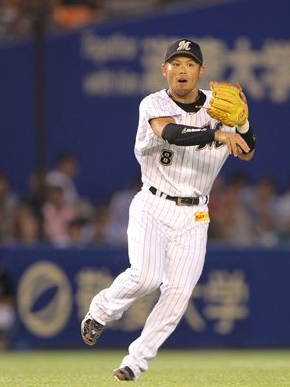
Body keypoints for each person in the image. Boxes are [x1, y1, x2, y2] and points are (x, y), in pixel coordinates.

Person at [80, 38, 256, 381]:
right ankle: (101, 309)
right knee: (145, 276)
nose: (182, 70)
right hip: (153, 205)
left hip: (195, 215)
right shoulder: (153, 103)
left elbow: (247, 152)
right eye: (175, 64)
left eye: (189, 64)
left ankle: (135, 362)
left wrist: (244, 123)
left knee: (178, 294)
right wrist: (217, 136)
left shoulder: (219, 107)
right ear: (164, 70)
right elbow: (170, 132)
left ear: (201, 71)